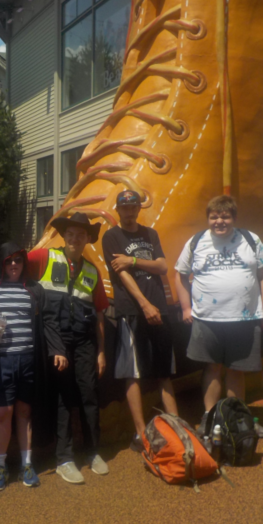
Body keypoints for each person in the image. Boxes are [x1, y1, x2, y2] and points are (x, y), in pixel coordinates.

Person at [0, 212, 109, 485]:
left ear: (88, 238)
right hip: (50, 341)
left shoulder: (92, 271)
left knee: (89, 394)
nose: (75, 238)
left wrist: (102, 350)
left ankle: (92, 451)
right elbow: (11, 261)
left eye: (81, 234)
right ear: (64, 236)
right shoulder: (45, 257)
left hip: (81, 341)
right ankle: (63, 458)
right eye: (70, 233)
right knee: (61, 398)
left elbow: (100, 312)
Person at [173, 195, 263, 438]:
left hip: (243, 319)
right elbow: (180, 275)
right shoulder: (196, 241)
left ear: (234, 218)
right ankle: (209, 418)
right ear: (208, 218)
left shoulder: (250, 239)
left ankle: (238, 420)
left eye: (225, 216)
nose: (219, 221)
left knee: (236, 370)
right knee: (212, 368)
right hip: (207, 318)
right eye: (214, 216)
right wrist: (186, 308)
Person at [0, 242, 67, 491]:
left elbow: (49, 321)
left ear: (24, 262)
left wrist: (58, 349)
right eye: (8, 260)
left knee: (25, 411)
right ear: (1, 263)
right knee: (2, 412)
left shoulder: (34, 289)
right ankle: (0, 465)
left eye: (18, 260)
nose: (13, 264)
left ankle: (26, 464)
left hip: (28, 358)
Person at [102, 190, 179, 451]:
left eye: (133, 206)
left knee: (164, 371)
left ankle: (177, 426)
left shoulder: (150, 234)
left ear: (138, 208)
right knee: (133, 373)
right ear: (118, 210)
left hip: (159, 308)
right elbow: (121, 274)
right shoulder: (112, 236)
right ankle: (140, 433)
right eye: (125, 207)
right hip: (133, 309)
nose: (129, 211)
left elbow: (162, 267)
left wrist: (133, 260)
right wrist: (144, 304)